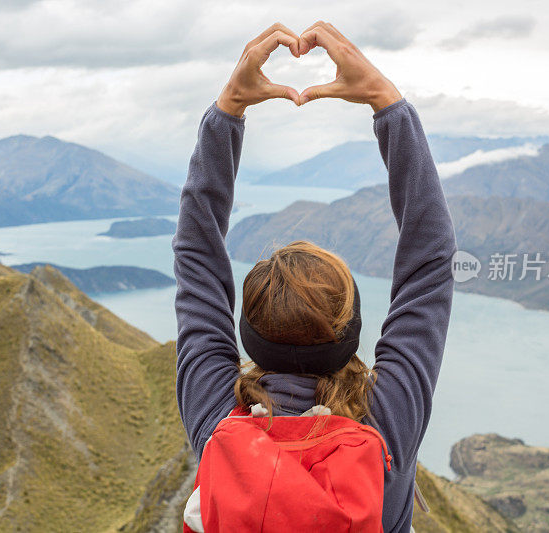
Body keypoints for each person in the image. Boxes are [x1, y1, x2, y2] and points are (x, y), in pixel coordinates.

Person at [173, 21, 456, 532]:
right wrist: (385, 101)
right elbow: (430, 261)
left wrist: (227, 111)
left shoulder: (218, 421)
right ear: (349, 332)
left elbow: (197, 258)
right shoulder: (386, 425)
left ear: (248, 335)